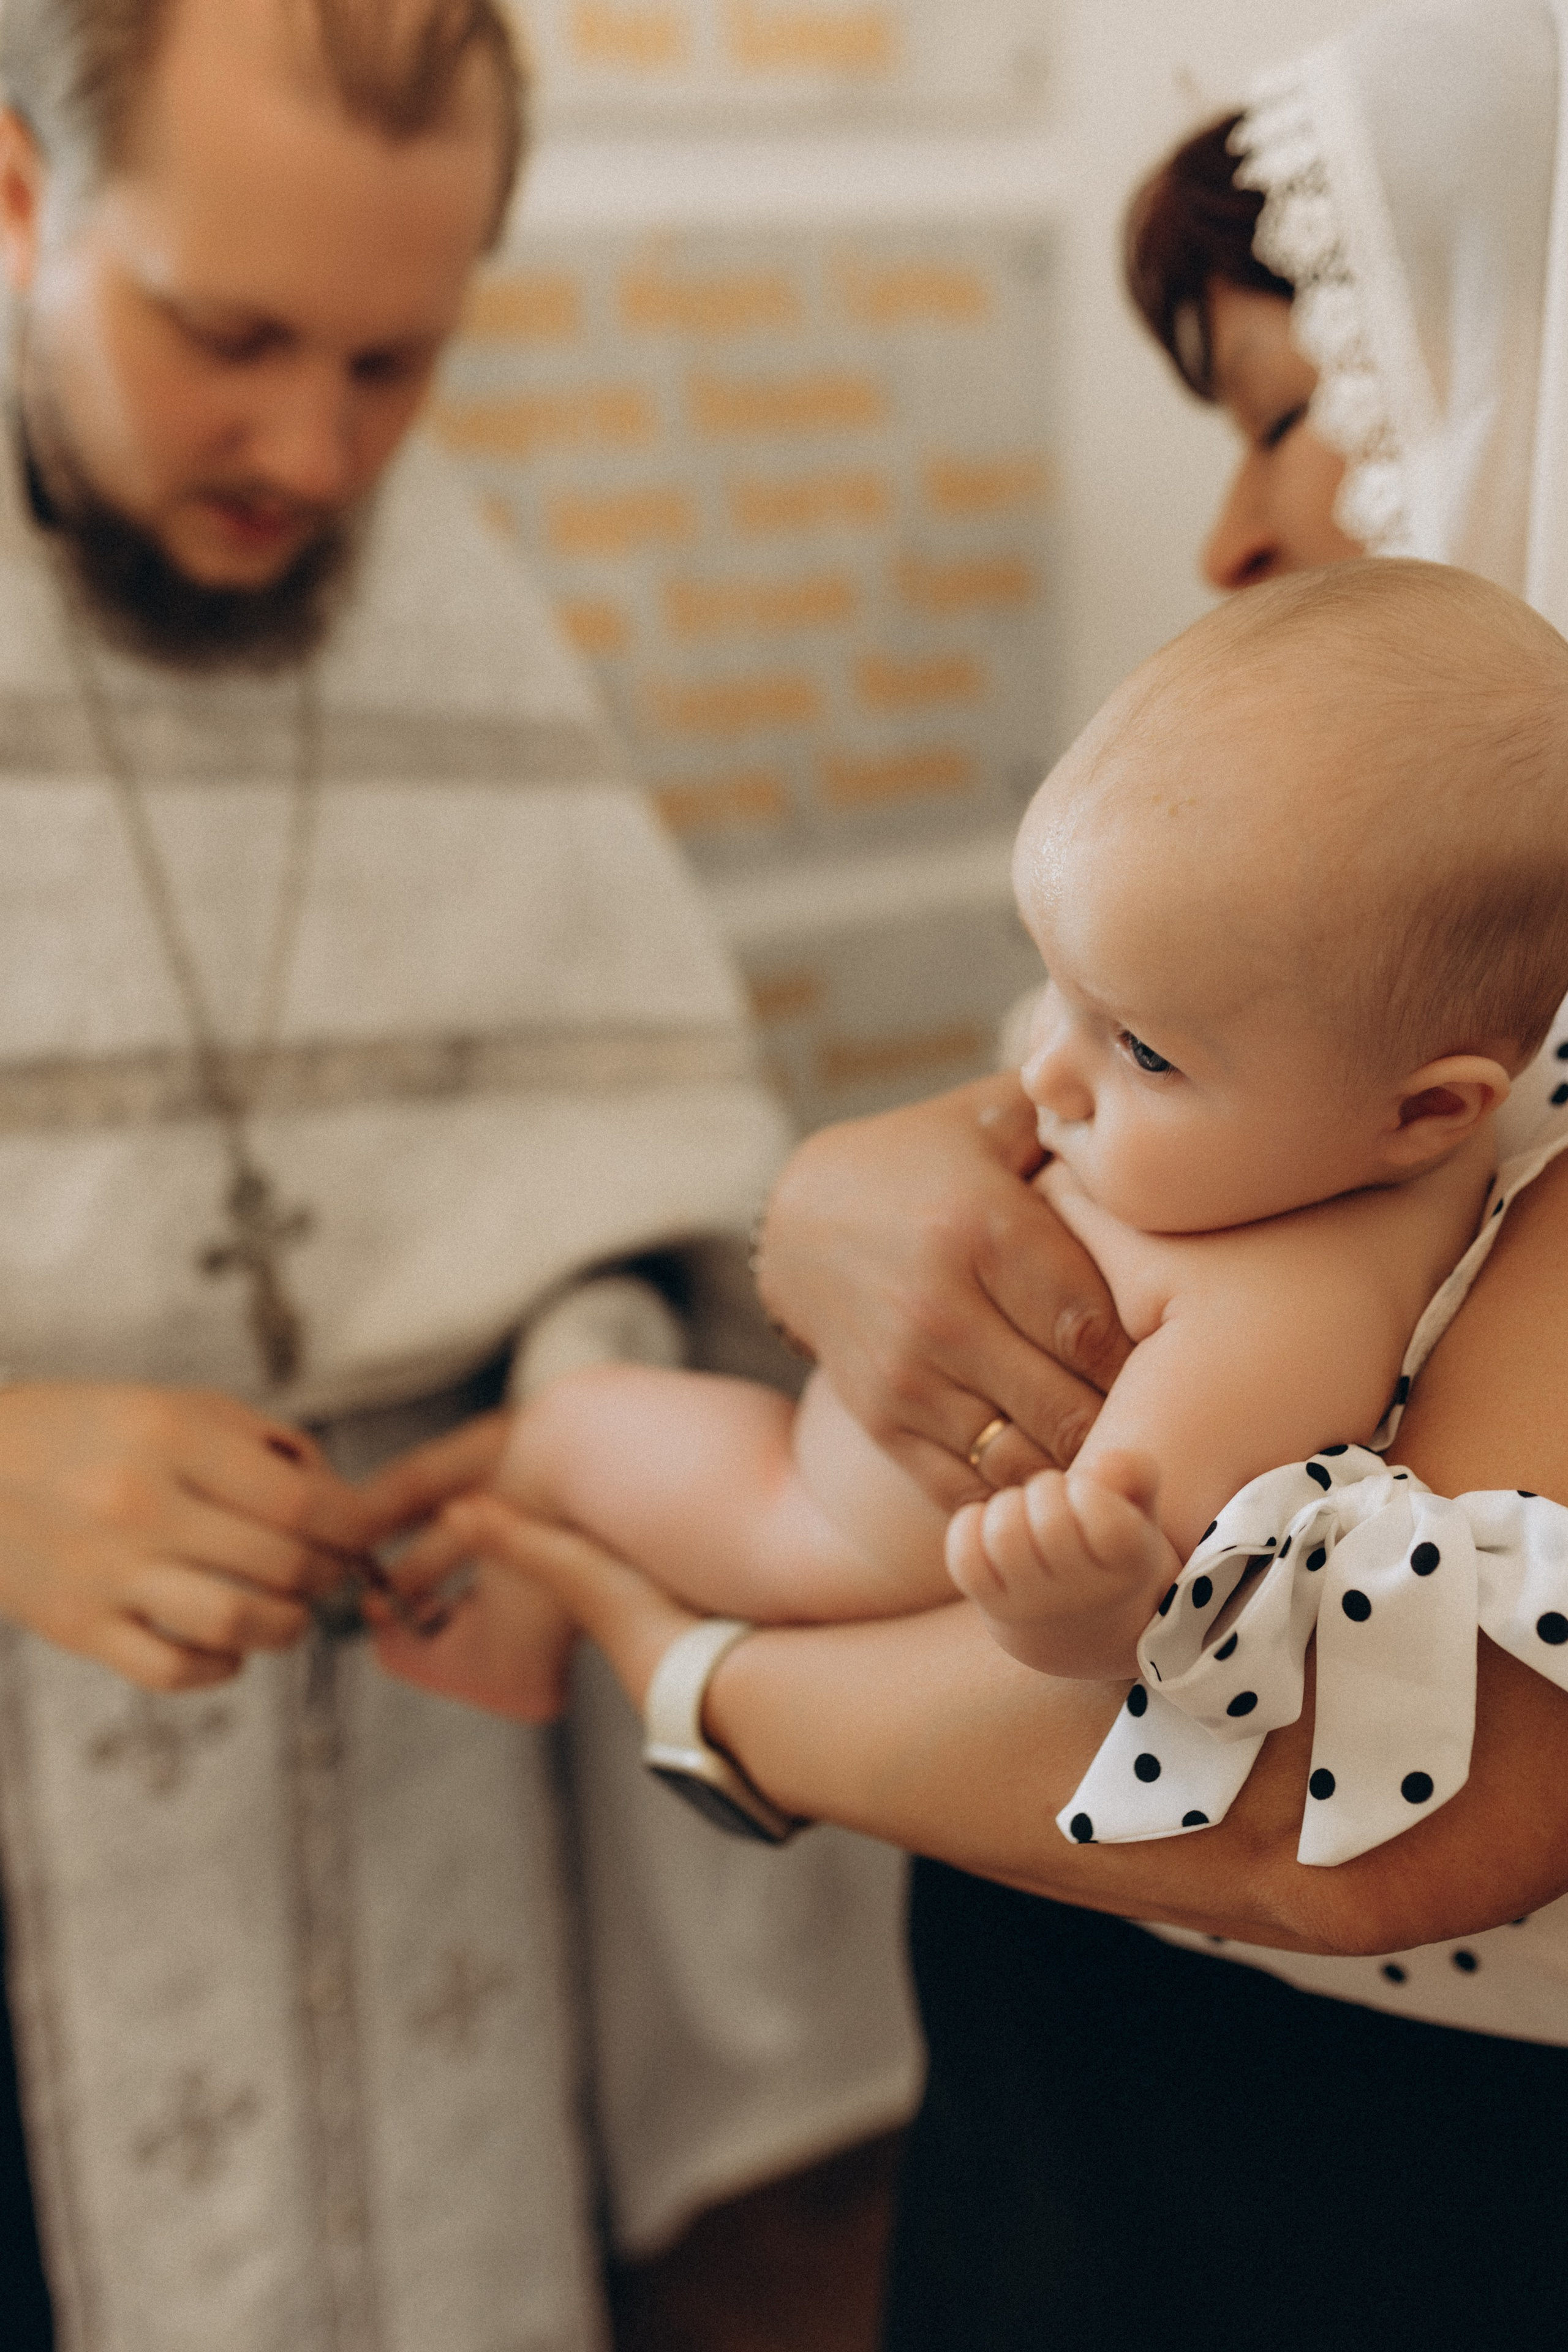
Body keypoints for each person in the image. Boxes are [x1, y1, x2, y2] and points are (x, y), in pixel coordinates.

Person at [377, 3, 1568, 2345]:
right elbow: (1095, 1146)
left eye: (1282, 413)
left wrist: (691, 1672)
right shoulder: (1332, 906)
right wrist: (859, 1188)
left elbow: (1397, 1820)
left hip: (1354, 2186)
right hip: (1078, 2077)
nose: (1231, 527)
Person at [0, 4, 919, 2345]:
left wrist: (583, 1413)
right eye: (229, 337)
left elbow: (633, 1184)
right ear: (21, 196)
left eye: (398, 365)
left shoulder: (431, 589)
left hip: (435, 1814)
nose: (311, 450)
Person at [404, 560, 1566, 1702]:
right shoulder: (1268, 1124)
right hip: (847, 1422)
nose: (1044, 1070)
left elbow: (1166, 1600)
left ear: (1426, 1113)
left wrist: (1079, 1601)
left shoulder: (1294, 1303)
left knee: (568, 1430)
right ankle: (525, 1583)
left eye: (1143, 1051)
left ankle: (519, 1614)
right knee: (587, 1433)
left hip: (820, 1526)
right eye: (1055, 989)